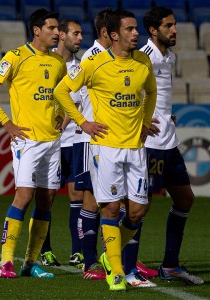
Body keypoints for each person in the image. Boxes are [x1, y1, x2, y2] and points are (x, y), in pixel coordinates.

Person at [54, 9, 157, 291]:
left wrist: (146, 122)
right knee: (110, 208)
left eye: (137, 29)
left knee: (138, 211)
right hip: (105, 148)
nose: (137, 33)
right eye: (130, 29)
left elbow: (151, 91)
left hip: (135, 147)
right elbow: (61, 92)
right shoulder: (95, 64)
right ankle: (117, 273)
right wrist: (83, 123)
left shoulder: (143, 61)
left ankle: (107, 253)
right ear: (113, 35)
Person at [0, 8, 67, 278]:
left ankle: (30, 262)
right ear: (37, 30)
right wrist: (6, 122)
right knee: (24, 196)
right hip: (27, 141)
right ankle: (6, 262)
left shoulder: (58, 63)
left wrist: (62, 115)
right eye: (51, 28)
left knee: (47, 200)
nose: (56, 33)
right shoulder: (15, 57)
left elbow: (61, 93)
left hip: (52, 142)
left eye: (57, 29)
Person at [122, 6, 204, 286]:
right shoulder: (141, 58)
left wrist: (165, 114)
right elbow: (124, 91)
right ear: (153, 30)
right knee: (137, 209)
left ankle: (169, 266)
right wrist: (139, 121)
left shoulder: (169, 57)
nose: (175, 30)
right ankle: (125, 267)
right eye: (169, 25)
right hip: (149, 144)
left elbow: (158, 94)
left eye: (175, 24)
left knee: (185, 199)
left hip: (168, 141)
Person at [73, 8, 114, 281]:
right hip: (91, 140)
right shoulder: (92, 58)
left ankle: (110, 256)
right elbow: (70, 94)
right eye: (122, 30)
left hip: (111, 138)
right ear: (105, 33)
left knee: (115, 200)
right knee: (92, 199)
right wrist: (82, 123)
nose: (129, 34)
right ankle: (89, 262)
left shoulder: (113, 58)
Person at [40, 19, 84, 268]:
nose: (79, 39)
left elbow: (76, 102)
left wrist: (67, 120)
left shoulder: (80, 68)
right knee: (46, 197)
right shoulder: (46, 63)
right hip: (48, 141)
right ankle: (44, 250)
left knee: (76, 195)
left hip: (74, 141)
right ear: (63, 36)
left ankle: (77, 251)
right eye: (75, 34)